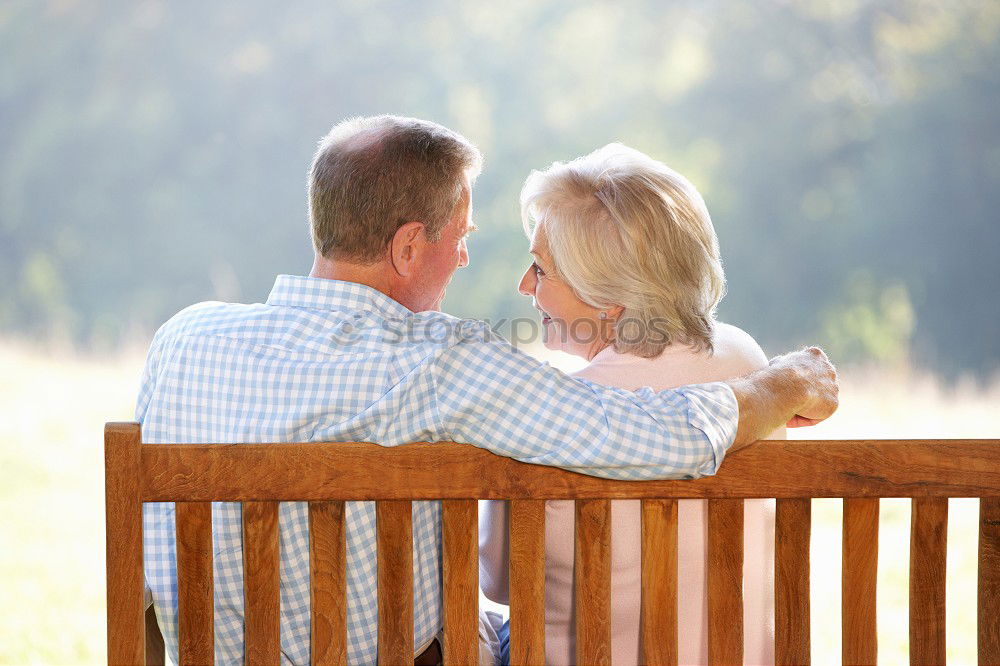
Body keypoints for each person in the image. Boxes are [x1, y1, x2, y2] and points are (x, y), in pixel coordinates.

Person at [136, 116, 838, 665]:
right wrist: (777, 387)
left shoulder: (182, 339)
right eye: (459, 237)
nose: (468, 256)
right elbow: (659, 436)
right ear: (409, 249)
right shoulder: (440, 362)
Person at [479, 143, 789, 664]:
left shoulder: (555, 413)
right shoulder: (750, 362)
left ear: (607, 298)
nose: (524, 285)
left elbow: (499, 580)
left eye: (540, 269)